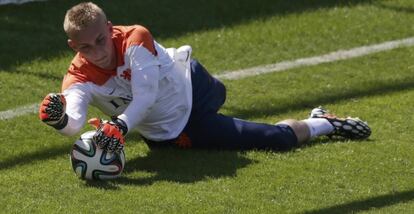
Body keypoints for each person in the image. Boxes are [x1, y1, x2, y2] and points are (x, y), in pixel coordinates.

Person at [39, 2, 371, 153]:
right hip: (166, 132)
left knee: (270, 136)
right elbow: (74, 120)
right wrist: (59, 119)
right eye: (86, 46)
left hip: (194, 89)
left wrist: (120, 127)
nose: (98, 51)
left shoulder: (135, 37)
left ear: (109, 28)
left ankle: (325, 123)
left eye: (100, 39)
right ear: (73, 46)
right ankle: (318, 120)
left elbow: (145, 95)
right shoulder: (77, 75)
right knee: (273, 141)